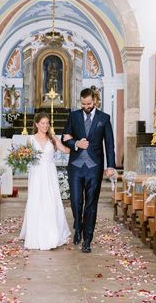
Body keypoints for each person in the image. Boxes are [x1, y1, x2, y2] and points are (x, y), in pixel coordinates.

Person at [62, 88, 116, 253]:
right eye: (83, 104)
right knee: (76, 201)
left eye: (89, 104)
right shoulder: (74, 116)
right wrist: (76, 143)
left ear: (95, 101)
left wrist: (111, 166)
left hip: (94, 168)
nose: (86, 106)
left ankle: (87, 239)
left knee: (91, 204)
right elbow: (64, 137)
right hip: (76, 167)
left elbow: (109, 144)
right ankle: (78, 225)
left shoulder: (104, 118)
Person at [20, 112, 71, 250]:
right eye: (42, 123)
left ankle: (52, 234)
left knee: (50, 201)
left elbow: (66, 150)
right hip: (36, 174)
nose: (45, 126)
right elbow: (26, 157)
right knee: (37, 201)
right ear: (36, 124)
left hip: (49, 174)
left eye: (47, 123)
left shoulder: (53, 138)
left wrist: (75, 143)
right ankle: (35, 235)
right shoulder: (30, 139)